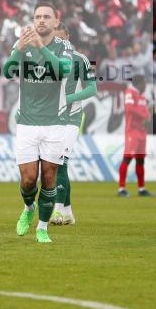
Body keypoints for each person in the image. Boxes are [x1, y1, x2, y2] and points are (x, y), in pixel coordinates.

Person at [4, 2, 72, 243]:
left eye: (46, 16)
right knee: (28, 179)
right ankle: (29, 208)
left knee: (50, 176)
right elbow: (7, 71)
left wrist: (40, 47)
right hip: (26, 123)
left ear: (55, 21)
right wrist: (18, 49)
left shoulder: (64, 46)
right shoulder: (22, 44)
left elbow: (62, 69)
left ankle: (42, 228)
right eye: (37, 17)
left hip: (54, 123)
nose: (41, 20)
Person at [51, 23, 97, 225]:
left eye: (62, 38)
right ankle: (68, 212)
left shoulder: (81, 60)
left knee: (59, 162)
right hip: (52, 119)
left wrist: (68, 98)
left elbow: (92, 89)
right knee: (58, 164)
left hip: (72, 117)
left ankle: (57, 212)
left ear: (68, 37)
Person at [118, 75, 153, 197]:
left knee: (140, 160)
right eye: (143, 83)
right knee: (127, 158)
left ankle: (141, 189)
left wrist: (148, 117)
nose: (145, 86)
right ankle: (121, 189)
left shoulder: (142, 97)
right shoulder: (130, 93)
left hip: (142, 132)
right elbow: (129, 108)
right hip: (132, 132)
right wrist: (144, 116)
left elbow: (146, 112)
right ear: (138, 83)